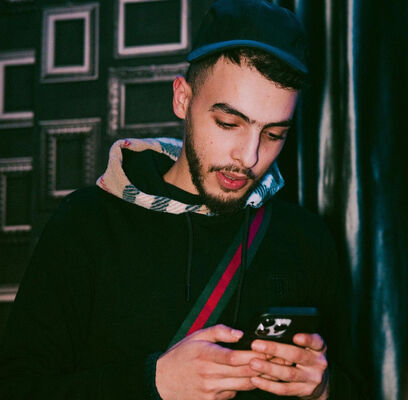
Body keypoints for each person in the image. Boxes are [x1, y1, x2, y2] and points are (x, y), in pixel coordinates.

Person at [0, 1, 365, 399]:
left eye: (274, 134)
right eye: (228, 123)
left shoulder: (306, 238)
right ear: (183, 99)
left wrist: (323, 389)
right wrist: (154, 382)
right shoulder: (86, 224)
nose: (249, 157)